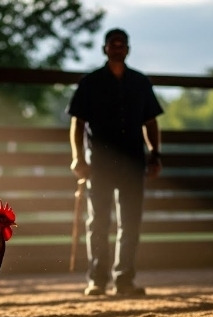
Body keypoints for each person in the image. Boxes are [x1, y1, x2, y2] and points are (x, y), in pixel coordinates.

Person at [67, 28, 163, 296]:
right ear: (105, 48)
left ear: (128, 49)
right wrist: (77, 157)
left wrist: (155, 154)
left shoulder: (140, 83)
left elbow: (151, 122)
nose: (118, 47)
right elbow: (78, 123)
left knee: (130, 223)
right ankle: (97, 280)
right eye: (113, 43)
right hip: (99, 163)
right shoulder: (90, 83)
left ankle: (124, 280)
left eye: (122, 44)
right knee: (98, 222)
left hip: (133, 162)